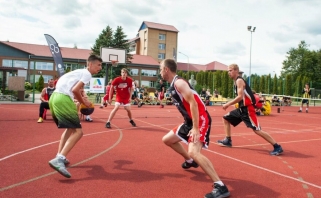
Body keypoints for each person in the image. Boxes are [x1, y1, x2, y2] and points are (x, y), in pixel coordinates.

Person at [160, 59, 230, 198]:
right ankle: (190, 161)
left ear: (166, 69)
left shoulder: (179, 83)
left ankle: (220, 186)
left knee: (194, 152)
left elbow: (193, 103)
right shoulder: (173, 84)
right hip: (189, 121)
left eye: (160, 68)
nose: (160, 71)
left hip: (200, 119)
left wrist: (196, 128)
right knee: (167, 140)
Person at [48, 54, 102, 178]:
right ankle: (59, 159)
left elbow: (72, 88)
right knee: (78, 132)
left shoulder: (77, 72)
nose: (100, 68)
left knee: (70, 129)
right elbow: (75, 90)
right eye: (98, 65)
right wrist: (84, 102)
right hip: (63, 98)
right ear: (90, 64)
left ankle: (59, 156)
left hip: (54, 98)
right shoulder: (87, 73)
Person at [217, 64, 283, 156]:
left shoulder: (239, 81)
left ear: (236, 70)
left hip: (247, 110)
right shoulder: (236, 81)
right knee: (225, 118)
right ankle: (228, 140)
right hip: (241, 109)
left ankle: (277, 146)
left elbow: (240, 97)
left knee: (257, 130)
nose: (229, 73)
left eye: (230, 70)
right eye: (228, 71)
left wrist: (228, 104)